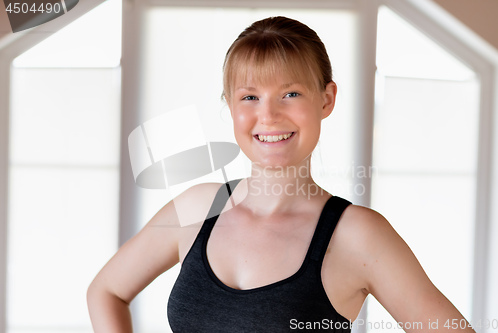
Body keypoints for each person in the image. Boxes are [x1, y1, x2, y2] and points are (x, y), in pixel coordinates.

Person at [87, 16, 475, 332]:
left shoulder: (357, 234)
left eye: (290, 93)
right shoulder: (197, 207)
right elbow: (106, 291)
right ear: (231, 106)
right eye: (249, 97)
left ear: (326, 99)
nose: (268, 116)